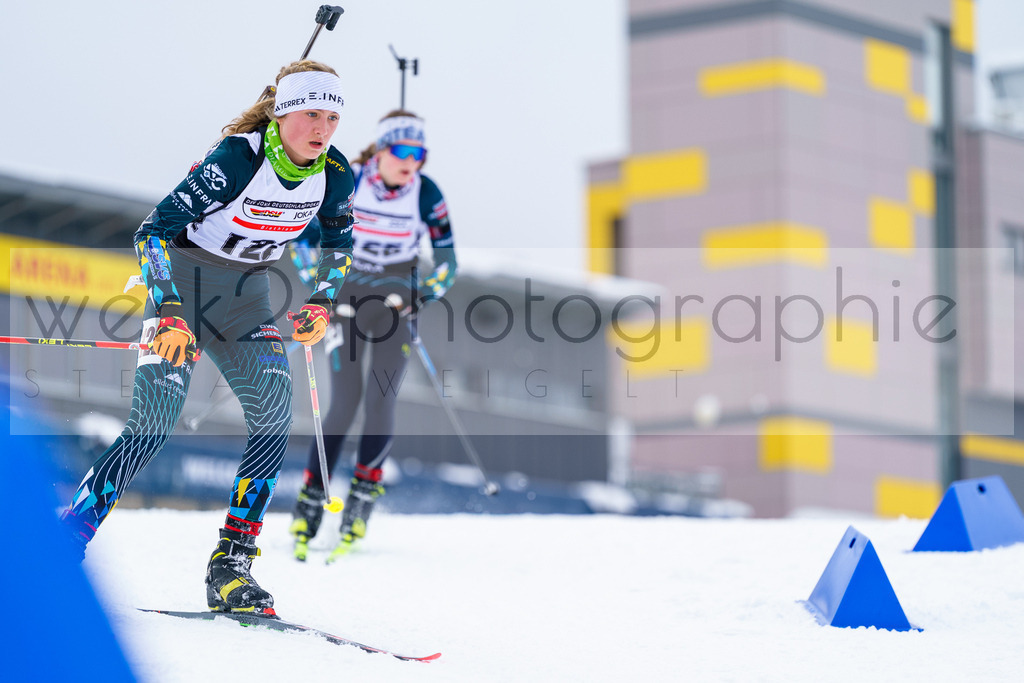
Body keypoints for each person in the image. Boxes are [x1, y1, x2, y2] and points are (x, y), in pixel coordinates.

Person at [59, 60, 356, 616]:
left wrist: (320, 302)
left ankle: (231, 566)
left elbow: (339, 244)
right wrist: (169, 311)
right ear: (284, 112)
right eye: (312, 113)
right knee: (153, 424)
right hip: (185, 292)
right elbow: (153, 231)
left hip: (246, 300)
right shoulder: (238, 159)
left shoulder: (335, 172)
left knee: (273, 413)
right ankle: (68, 537)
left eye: (333, 116)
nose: (323, 128)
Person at [288, 110, 457, 563]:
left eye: (419, 154)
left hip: (396, 305)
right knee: (344, 401)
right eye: (402, 151)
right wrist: (321, 289)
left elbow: (448, 263)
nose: (411, 162)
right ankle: (310, 502)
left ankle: (360, 502)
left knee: (382, 399)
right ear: (381, 150)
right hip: (345, 300)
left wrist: (418, 297)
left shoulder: (427, 193)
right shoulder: (348, 179)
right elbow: (303, 240)